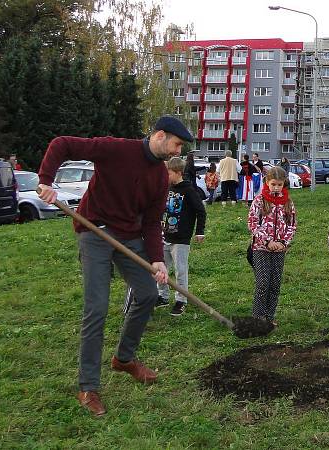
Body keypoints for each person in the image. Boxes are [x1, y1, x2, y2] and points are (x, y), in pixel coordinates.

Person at [36, 115, 192, 417]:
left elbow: (150, 222)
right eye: (176, 144)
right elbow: (62, 144)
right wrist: (45, 181)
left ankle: (124, 359)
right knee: (97, 308)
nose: (178, 152)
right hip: (94, 231)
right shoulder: (116, 149)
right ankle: (88, 386)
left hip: (129, 237)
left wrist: (157, 258)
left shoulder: (160, 177)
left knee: (148, 295)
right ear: (160, 136)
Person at [157, 156, 206, 316]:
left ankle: (181, 300)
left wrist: (199, 231)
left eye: (168, 173)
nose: (166, 176)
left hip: (181, 239)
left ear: (178, 173)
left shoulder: (189, 190)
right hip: (165, 236)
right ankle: (162, 296)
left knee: (180, 271)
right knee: (161, 269)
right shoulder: (168, 188)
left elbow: (201, 211)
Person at [248, 166, 297, 324]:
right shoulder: (259, 200)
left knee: (275, 283)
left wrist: (283, 242)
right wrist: (268, 241)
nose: (276, 188)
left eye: (279, 185)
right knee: (263, 282)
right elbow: (253, 223)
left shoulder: (288, 202)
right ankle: (258, 317)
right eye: (273, 184)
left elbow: (292, 225)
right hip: (261, 248)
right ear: (267, 182)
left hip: (280, 249)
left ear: (284, 184)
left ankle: (269, 316)